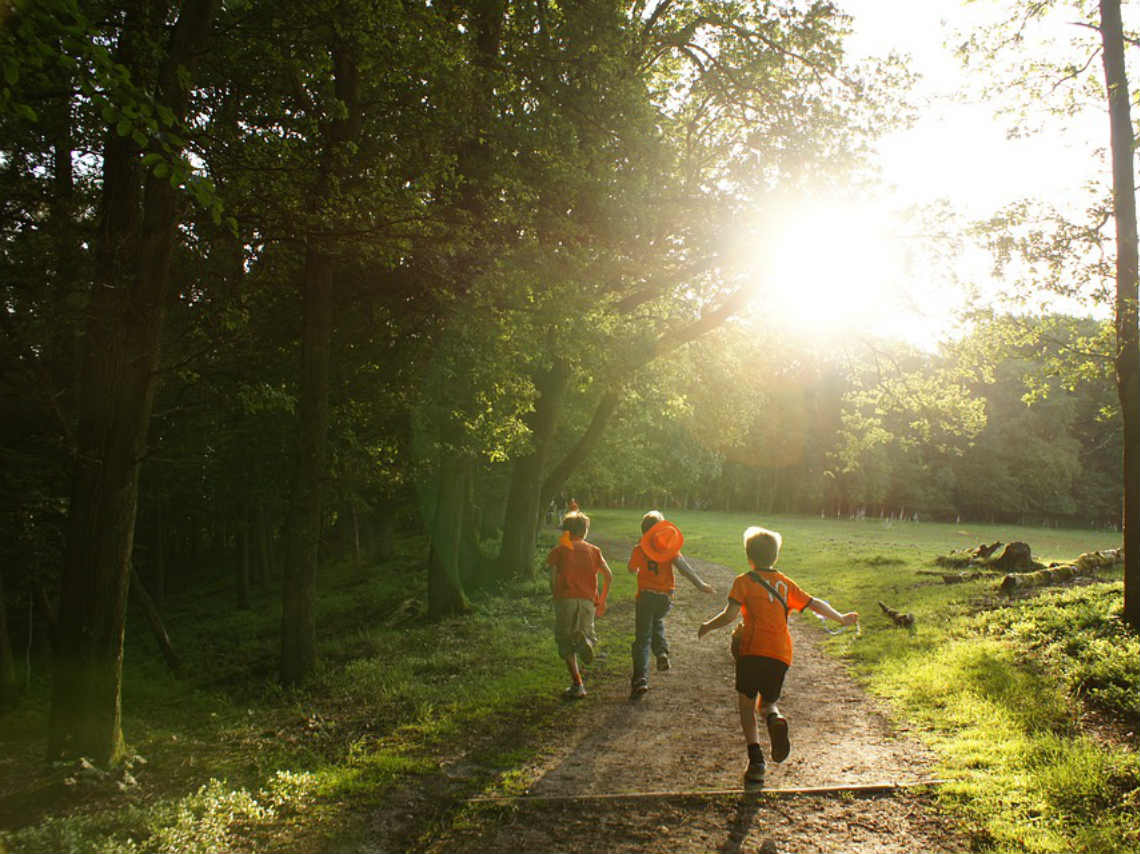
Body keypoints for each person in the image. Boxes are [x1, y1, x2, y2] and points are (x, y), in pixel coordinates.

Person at [697, 525, 858, 784]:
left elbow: (729, 615)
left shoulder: (743, 582)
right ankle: (775, 718)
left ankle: (756, 760)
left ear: (749, 556)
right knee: (767, 702)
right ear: (776, 557)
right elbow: (815, 603)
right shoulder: (785, 584)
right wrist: (840, 617)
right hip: (780, 654)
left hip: (750, 651)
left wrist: (707, 625)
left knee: (747, 705)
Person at [627, 511, 715, 699]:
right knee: (656, 621)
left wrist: (639, 564)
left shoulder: (638, 549)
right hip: (664, 598)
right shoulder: (669, 550)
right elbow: (684, 569)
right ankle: (661, 653)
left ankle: (640, 679)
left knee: (642, 639)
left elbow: (631, 569)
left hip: (645, 597)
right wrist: (701, 584)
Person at [547, 510, 613, 700]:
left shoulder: (559, 550)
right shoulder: (594, 550)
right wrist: (602, 599)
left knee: (565, 642)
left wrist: (556, 594)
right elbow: (608, 575)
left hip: (566, 599)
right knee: (589, 635)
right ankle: (587, 642)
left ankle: (578, 685)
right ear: (585, 531)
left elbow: (552, 576)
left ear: (566, 531)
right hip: (587, 601)